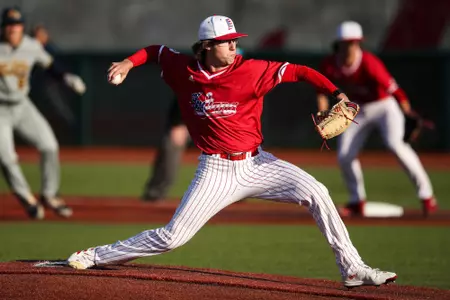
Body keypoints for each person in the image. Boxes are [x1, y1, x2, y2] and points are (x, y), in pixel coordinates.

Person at [67, 15, 396, 288]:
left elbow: (298, 71)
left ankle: (353, 269)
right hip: (215, 171)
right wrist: (128, 63)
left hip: (257, 162)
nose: (234, 45)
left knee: (318, 191)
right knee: (172, 238)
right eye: (227, 41)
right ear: (208, 46)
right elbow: (156, 51)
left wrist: (336, 92)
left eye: (235, 39)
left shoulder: (252, 70)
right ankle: (98, 255)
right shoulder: (183, 70)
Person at [317, 21, 437, 217]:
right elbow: (321, 90)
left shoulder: (369, 63)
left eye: (355, 42)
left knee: (396, 145)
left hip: (383, 106)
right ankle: (357, 202)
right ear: (338, 44)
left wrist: (408, 113)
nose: (351, 46)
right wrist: (323, 113)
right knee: (345, 155)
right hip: (357, 108)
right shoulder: (330, 65)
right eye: (347, 42)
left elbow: (396, 91)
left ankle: (426, 196)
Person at [0, 7, 84, 219]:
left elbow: (51, 65)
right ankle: (27, 199)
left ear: (22, 27)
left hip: (22, 105)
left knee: (49, 145)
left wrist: (67, 77)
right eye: (9, 25)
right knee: (7, 157)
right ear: (3, 28)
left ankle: (49, 194)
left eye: (16, 24)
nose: (13, 29)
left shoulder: (31, 46)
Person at [141, 49, 244, 202]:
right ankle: (155, 191)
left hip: (218, 123)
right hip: (191, 118)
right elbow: (183, 98)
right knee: (171, 146)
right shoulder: (198, 72)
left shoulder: (240, 78)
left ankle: (237, 193)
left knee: (237, 149)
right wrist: (178, 124)